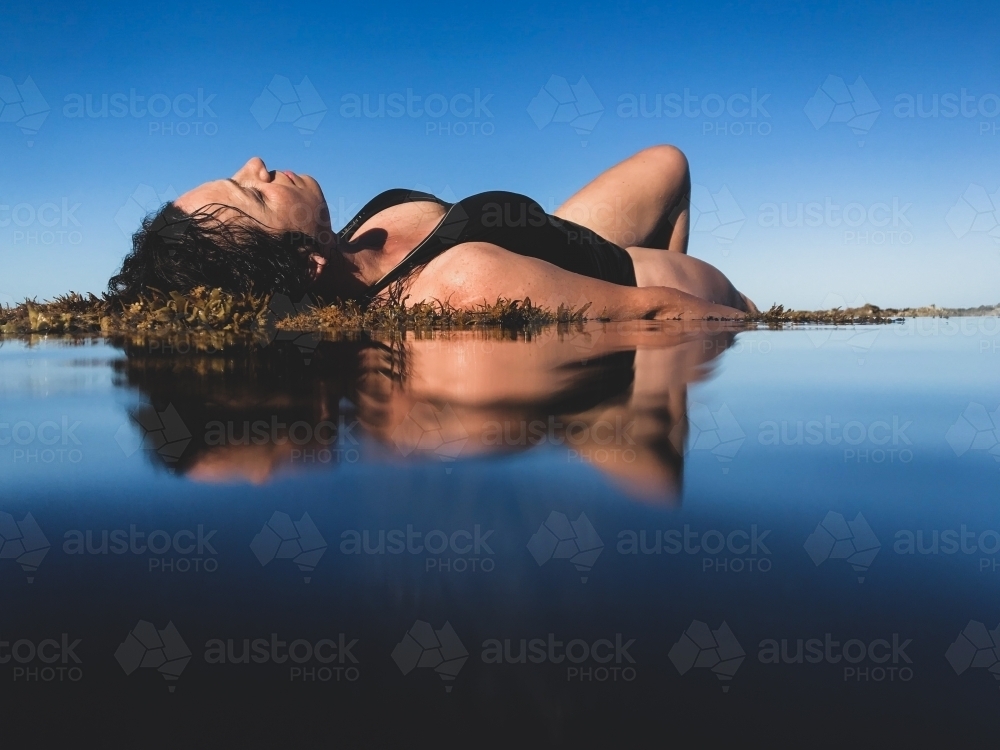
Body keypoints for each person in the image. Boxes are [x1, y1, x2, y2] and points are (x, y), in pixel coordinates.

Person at [109, 146, 756, 320]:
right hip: (659, 285)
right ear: (306, 265)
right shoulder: (456, 283)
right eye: (253, 192)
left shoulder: (345, 243)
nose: (257, 163)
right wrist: (752, 323)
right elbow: (661, 311)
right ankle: (656, 390)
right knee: (664, 501)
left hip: (561, 235)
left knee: (669, 164)